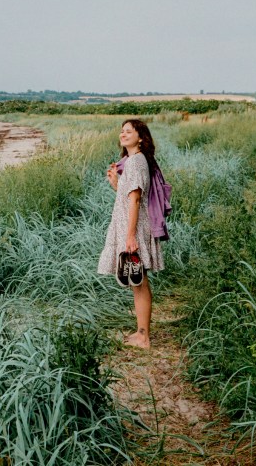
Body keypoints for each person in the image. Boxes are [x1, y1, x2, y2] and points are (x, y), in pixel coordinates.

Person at [98, 119, 165, 349]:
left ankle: (143, 337)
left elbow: (136, 200)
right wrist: (116, 183)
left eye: (129, 131)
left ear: (140, 138)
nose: (123, 134)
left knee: (139, 281)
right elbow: (128, 196)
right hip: (132, 226)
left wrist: (130, 236)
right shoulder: (132, 162)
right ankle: (140, 333)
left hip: (133, 227)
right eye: (122, 131)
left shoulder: (136, 162)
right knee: (137, 280)